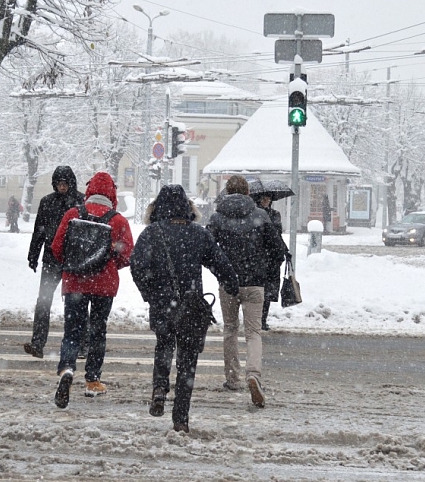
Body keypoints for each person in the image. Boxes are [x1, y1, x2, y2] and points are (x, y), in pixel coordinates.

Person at [130, 185, 238, 433]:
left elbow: (136, 265)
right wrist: (231, 283)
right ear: (187, 207)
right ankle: (180, 419)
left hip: (162, 304)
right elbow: (219, 262)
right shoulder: (198, 234)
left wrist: (150, 294)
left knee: (164, 345)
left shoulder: (152, 233)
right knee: (188, 361)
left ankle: (159, 388)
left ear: (158, 207)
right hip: (191, 307)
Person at [50, 172, 134, 408]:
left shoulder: (73, 214)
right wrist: (108, 263)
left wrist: (75, 264)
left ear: (89, 191)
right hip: (103, 286)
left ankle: (67, 368)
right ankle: (92, 380)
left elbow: (57, 247)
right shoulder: (117, 221)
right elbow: (127, 253)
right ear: (112, 193)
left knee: (72, 330)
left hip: (75, 283)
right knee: (98, 330)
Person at [207, 176, 286, 408]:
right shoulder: (260, 216)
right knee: (254, 332)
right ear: (248, 193)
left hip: (228, 284)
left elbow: (206, 250)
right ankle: (254, 374)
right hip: (255, 283)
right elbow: (278, 250)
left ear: (227, 192)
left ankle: (232, 378)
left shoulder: (217, 217)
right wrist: (263, 267)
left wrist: (221, 272)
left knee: (230, 329)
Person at [24, 166, 84, 359]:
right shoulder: (47, 202)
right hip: (51, 259)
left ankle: (83, 345)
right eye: (59, 183)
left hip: (74, 261)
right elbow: (39, 230)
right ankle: (38, 343)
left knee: (77, 303)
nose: (62, 187)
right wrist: (33, 254)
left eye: (65, 183)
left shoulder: (81, 203)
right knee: (44, 301)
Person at [255, 192, 288, 331]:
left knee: (268, 291)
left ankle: (263, 319)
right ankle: (256, 319)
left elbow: (277, 232)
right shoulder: (253, 214)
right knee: (257, 290)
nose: (266, 201)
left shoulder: (275, 214)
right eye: (263, 199)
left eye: (268, 199)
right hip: (258, 256)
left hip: (272, 257)